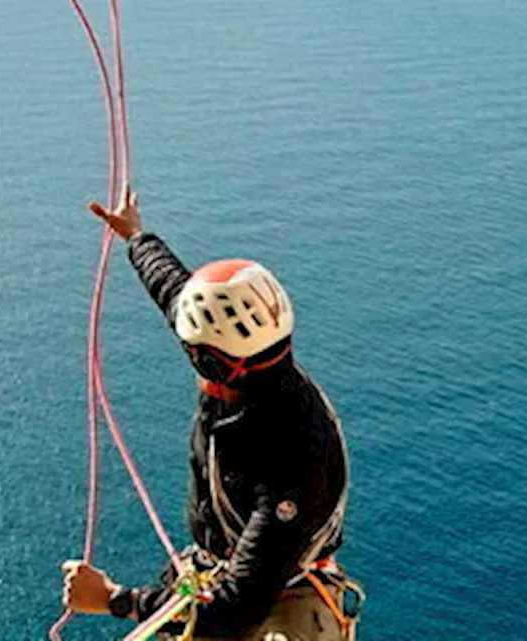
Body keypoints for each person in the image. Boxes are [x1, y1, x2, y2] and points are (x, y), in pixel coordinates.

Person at [60, 187, 359, 641]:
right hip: (226, 574)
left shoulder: (293, 457)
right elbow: (175, 291)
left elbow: (237, 610)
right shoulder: (253, 361)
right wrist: (136, 237)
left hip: (275, 605)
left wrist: (114, 599)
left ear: (210, 361)